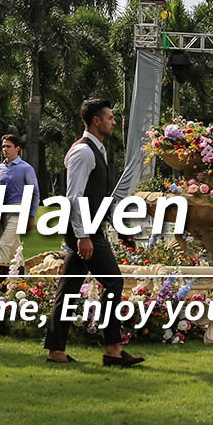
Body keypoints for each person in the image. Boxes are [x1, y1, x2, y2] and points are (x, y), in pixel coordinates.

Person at [44, 98, 144, 367]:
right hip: (83, 229)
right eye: (110, 117)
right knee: (114, 282)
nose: (114, 122)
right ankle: (112, 349)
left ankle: (56, 350)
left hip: (88, 227)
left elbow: (98, 196)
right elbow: (74, 196)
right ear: (96, 121)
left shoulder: (97, 150)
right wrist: (83, 236)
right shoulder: (83, 152)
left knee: (68, 288)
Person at [0, 134, 39, 283]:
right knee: (15, 248)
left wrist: (32, 216)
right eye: (3, 146)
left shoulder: (26, 168)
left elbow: (35, 193)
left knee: (4, 244)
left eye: (8, 146)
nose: (5, 149)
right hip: (3, 211)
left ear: (17, 148)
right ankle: (23, 282)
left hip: (20, 209)